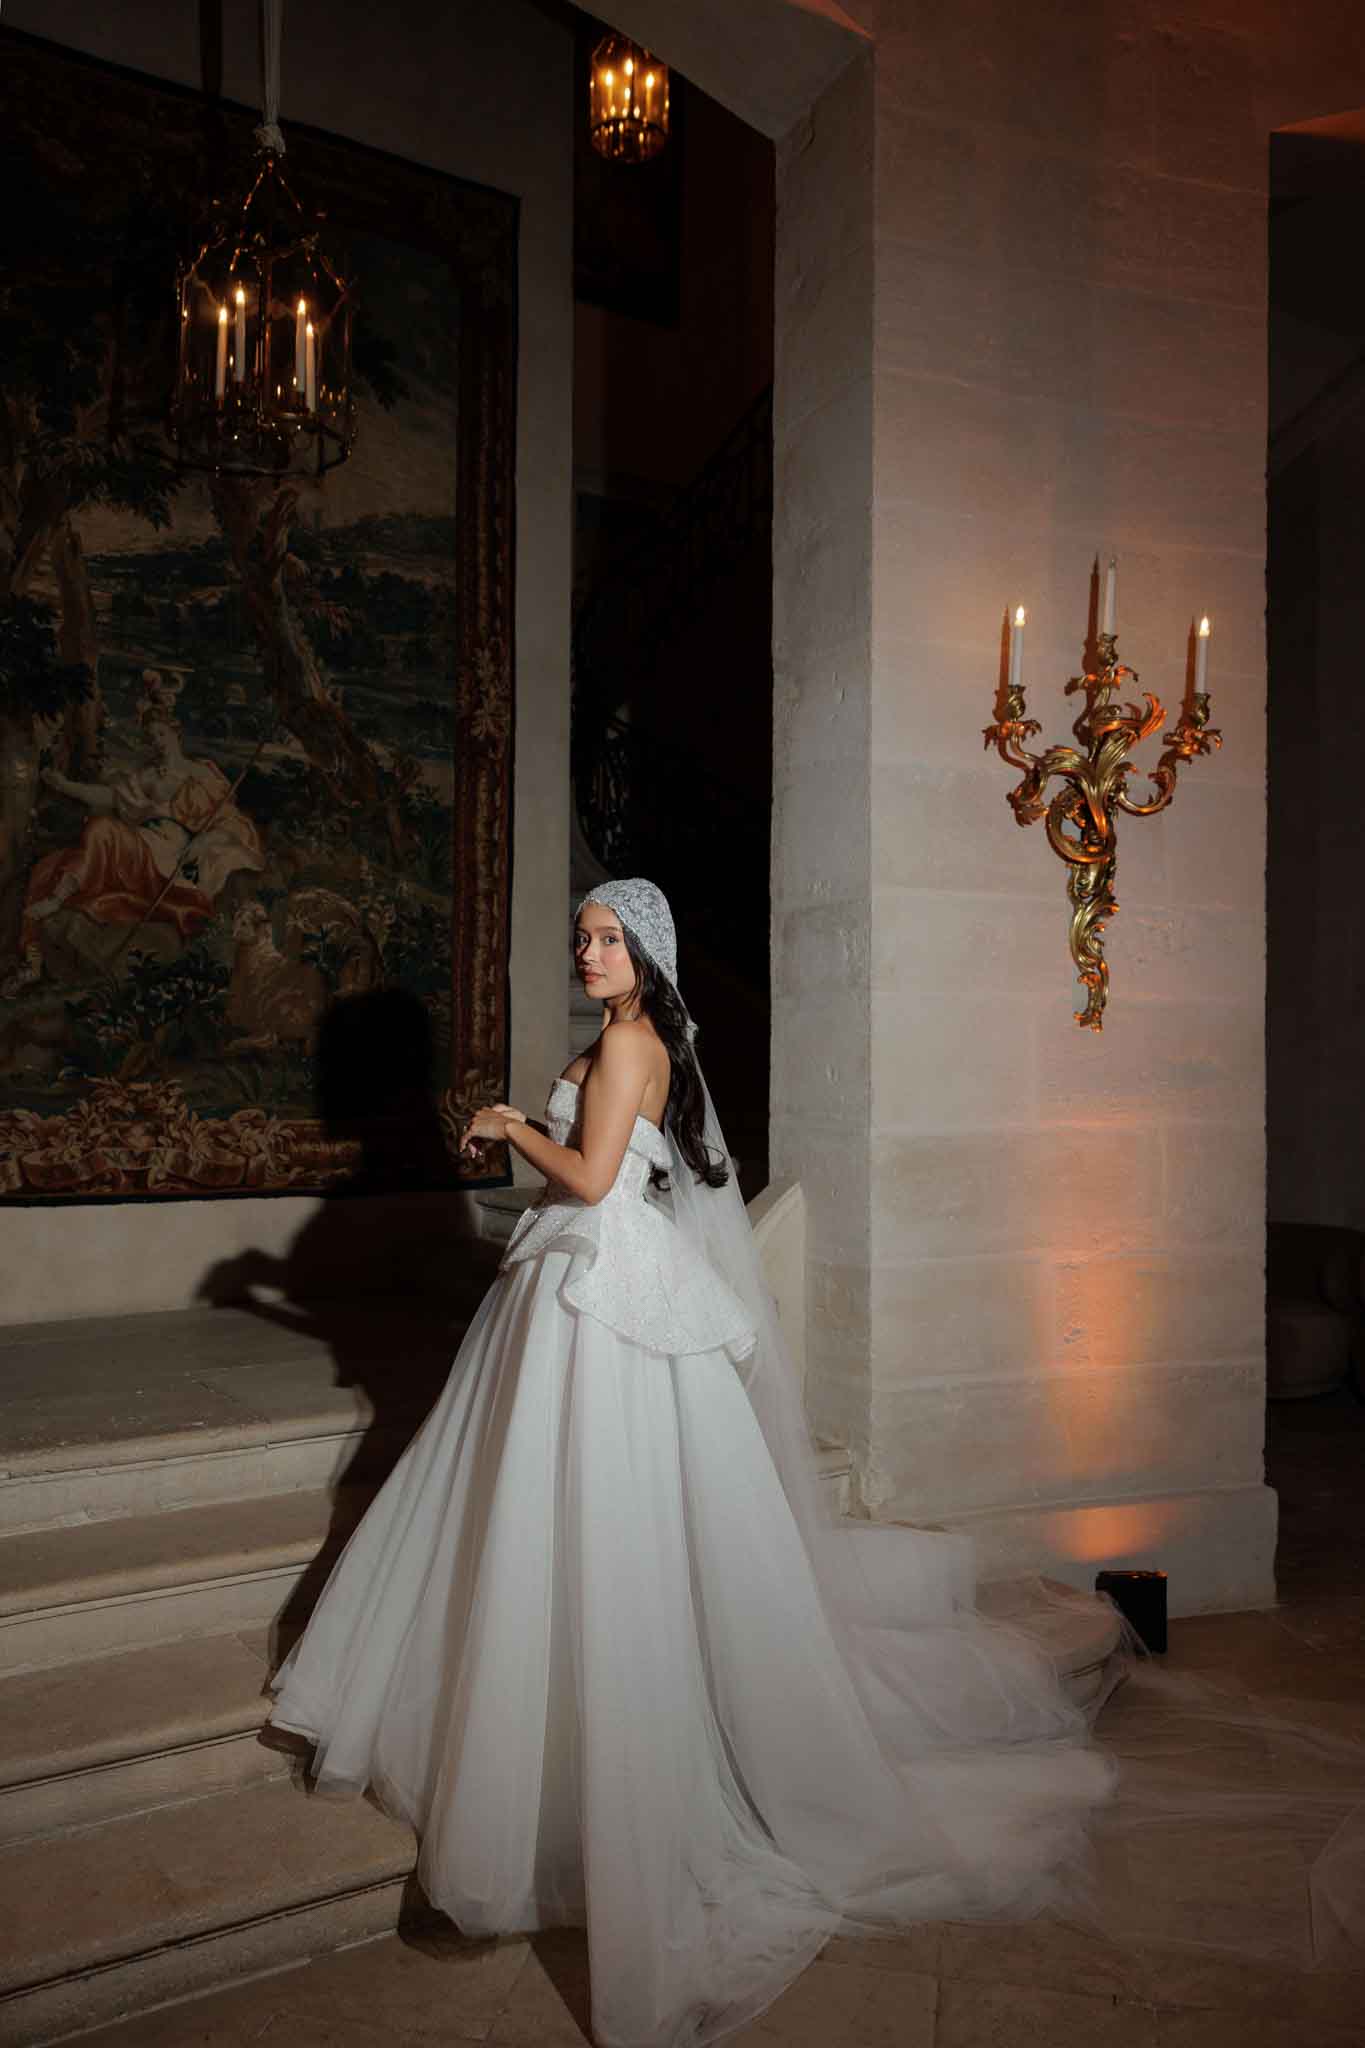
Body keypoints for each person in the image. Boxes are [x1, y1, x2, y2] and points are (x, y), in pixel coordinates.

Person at [267, 878, 1118, 2048]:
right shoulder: (637, 1039)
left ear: (647, 956)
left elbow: (595, 1178)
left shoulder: (625, 1045)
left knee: (586, 1510)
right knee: (565, 1508)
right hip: (594, 1275)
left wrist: (517, 1124)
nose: (588, 951)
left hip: (598, 1286)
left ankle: (618, 1765)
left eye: (608, 939)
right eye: (581, 936)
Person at [3, 675, 264, 994]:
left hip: (169, 857)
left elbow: (230, 823)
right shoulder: (147, 776)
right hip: (139, 847)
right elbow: (110, 797)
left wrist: (205, 841)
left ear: (175, 733)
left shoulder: (203, 775)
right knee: (50, 866)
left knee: (101, 830)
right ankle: (32, 962)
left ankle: (58, 900)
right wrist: (64, 785)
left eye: (161, 733)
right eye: (150, 735)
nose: (156, 740)